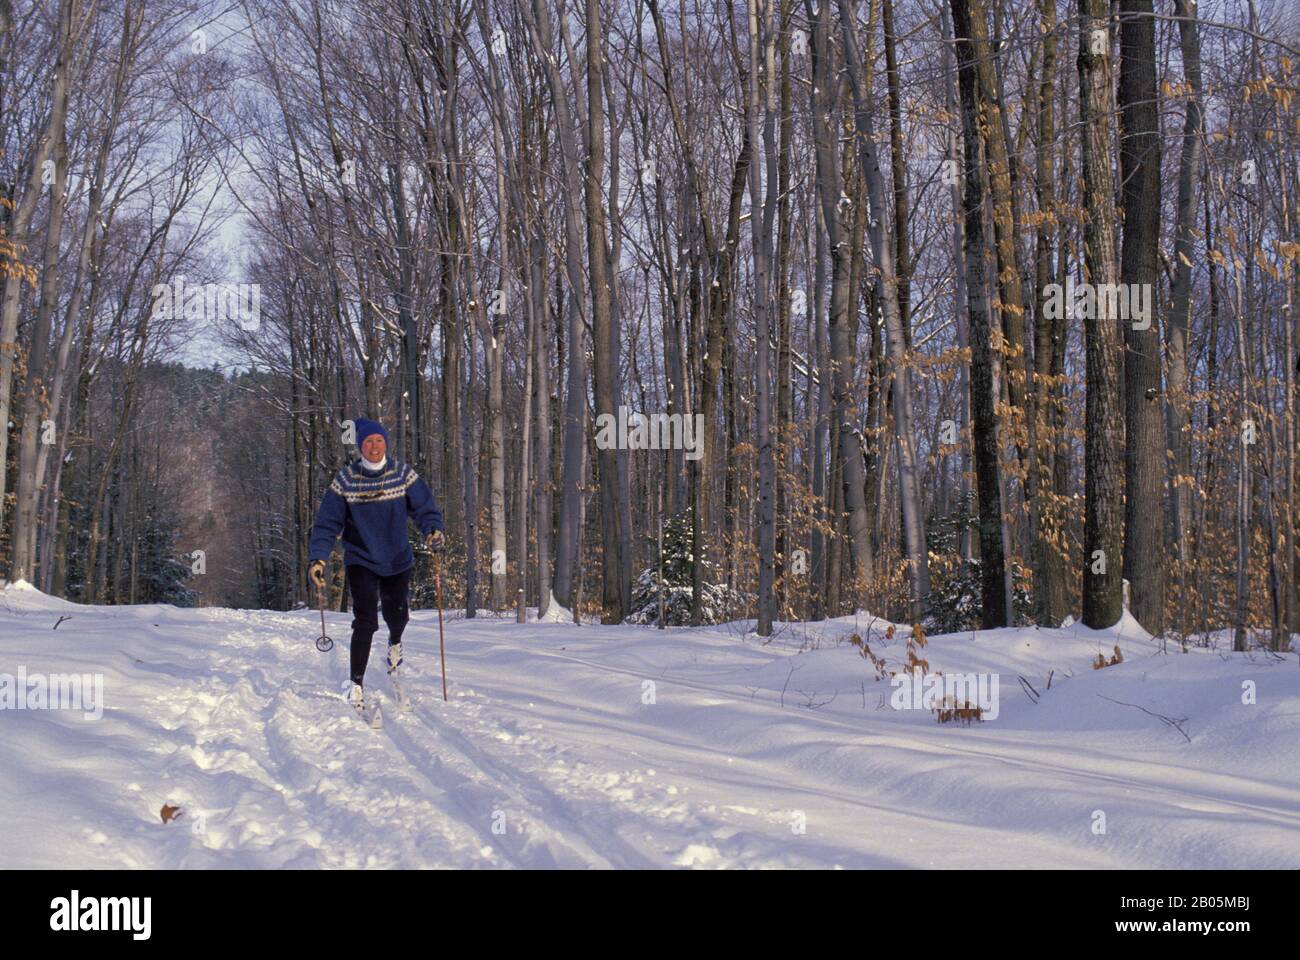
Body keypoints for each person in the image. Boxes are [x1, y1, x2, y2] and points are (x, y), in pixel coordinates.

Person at [307, 417, 444, 712]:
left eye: (379, 441)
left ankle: (395, 644)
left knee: (399, 617)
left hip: (397, 557)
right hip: (361, 558)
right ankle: (356, 684)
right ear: (360, 447)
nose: (374, 446)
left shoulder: (402, 474)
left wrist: (432, 529)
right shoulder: (345, 480)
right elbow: (326, 523)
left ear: (386, 443)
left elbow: (425, 508)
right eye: (368, 442)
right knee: (366, 621)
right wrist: (318, 557)